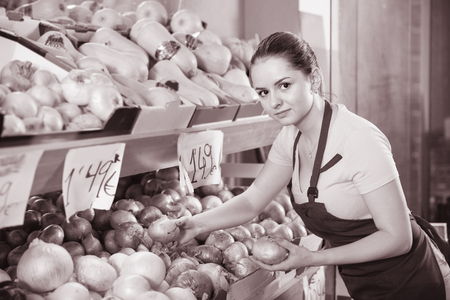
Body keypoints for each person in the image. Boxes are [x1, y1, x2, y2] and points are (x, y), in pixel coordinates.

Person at [176, 31, 450, 300]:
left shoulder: (358, 139)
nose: (274, 102)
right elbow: (251, 202)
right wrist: (196, 225)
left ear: (314, 79)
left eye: (284, 85)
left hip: (415, 280)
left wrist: (313, 257)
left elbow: (398, 238)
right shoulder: (290, 138)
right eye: (263, 92)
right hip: (365, 283)